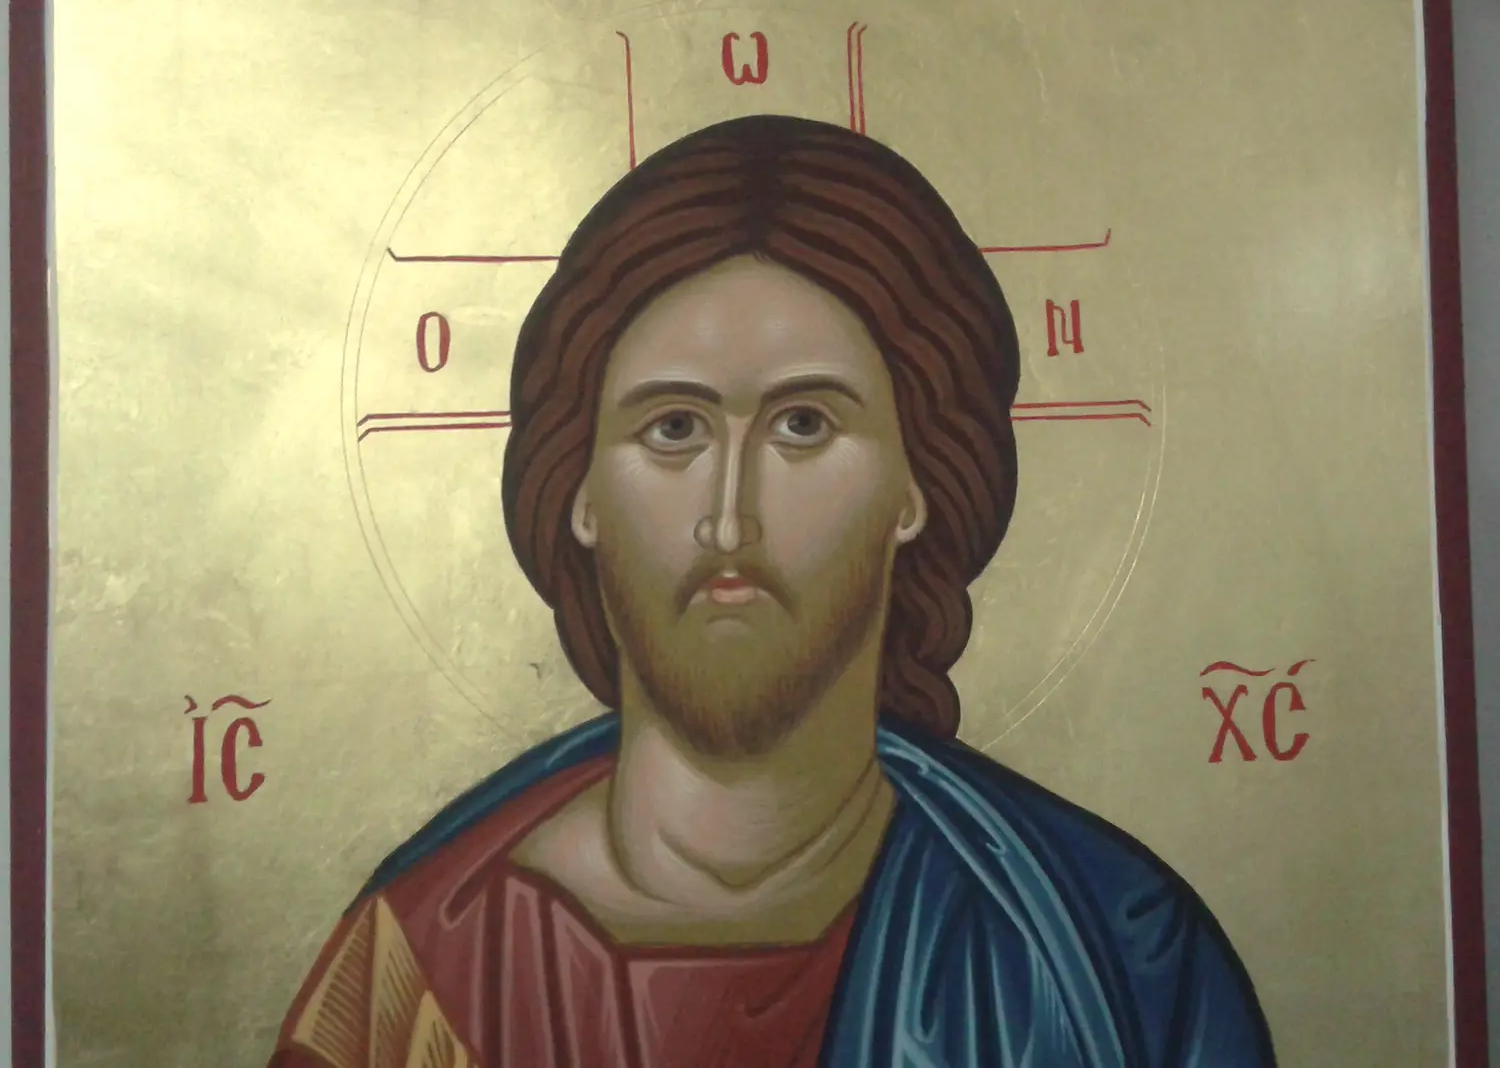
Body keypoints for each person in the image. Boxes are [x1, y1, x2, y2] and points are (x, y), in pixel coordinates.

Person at [267, 114, 1276, 1068]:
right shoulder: (421, 971)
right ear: (579, 491)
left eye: (804, 426)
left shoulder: (1112, 956)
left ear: (917, 484)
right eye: (673, 429)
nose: (729, 519)